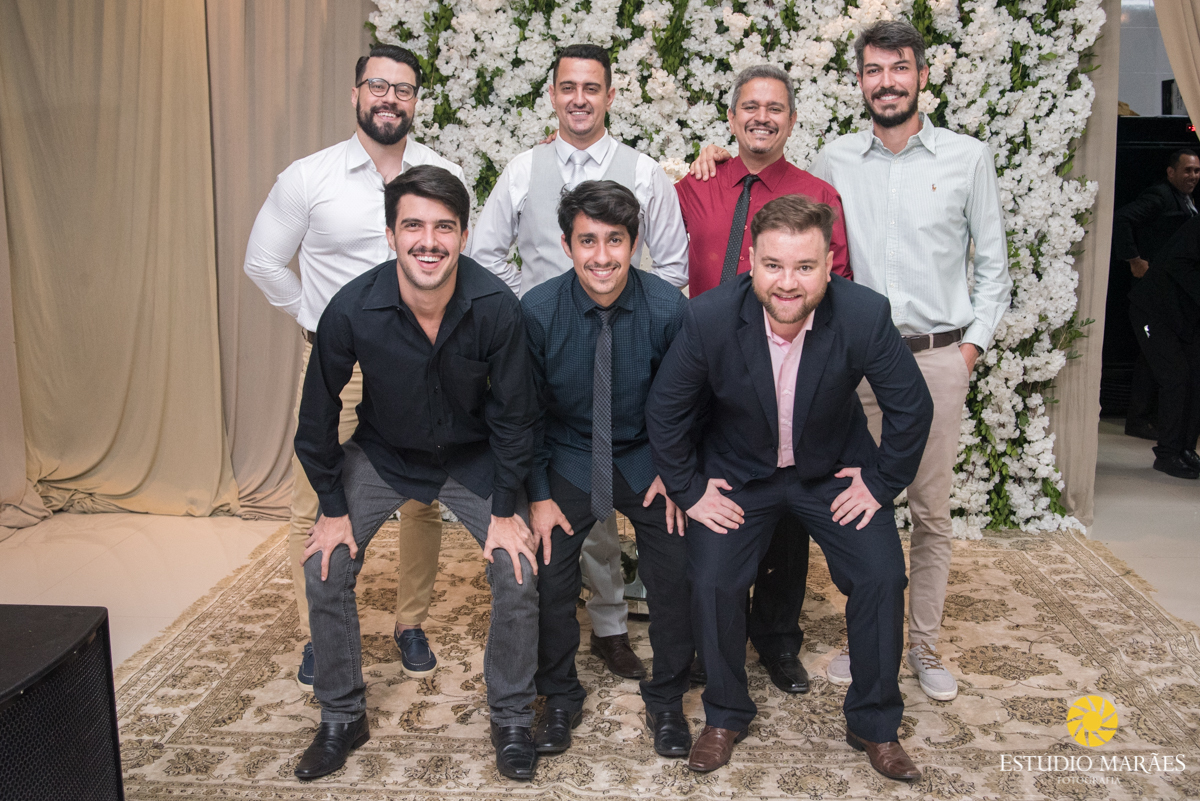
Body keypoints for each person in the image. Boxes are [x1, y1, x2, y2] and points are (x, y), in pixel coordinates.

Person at [646, 195, 933, 778]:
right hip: (737, 473)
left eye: (805, 266)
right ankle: (725, 714)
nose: (787, 282)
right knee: (713, 578)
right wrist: (691, 490)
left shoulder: (864, 314)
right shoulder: (708, 317)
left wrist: (880, 483)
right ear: (751, 261)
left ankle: (875, 724)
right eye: (774, 265)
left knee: (881, 575)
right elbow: (666, 411)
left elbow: (912, 407)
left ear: (829, 266)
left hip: (832, 472)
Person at [292, 165, 542, 781]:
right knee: (325, 564)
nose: (428, 242)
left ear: (463, 235)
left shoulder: (496, 307)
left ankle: (511, 718)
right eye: (413, 227)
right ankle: (341, 716)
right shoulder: (352, 308)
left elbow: (517, 419)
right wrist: (332, 508)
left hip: (472, 457)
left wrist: (505, 512)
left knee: (518, 568)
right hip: (384, 453)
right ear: (390, 234)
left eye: (444, 227)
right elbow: (315, 418)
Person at [243, 44, 465, 688]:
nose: (390, 98)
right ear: (356, 94)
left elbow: (454, 259)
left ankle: (410, 622)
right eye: (378, 86)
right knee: (315, 499)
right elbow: (263, 261)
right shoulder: (308, 177)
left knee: (421, 500)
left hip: (424, 365)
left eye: (403, 89)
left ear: (416, 101)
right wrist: (318, 319)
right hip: (340, 368)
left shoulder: (442, 173)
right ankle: (321, 632)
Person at [469, 43, 690, 682]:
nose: (580, 98)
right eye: (568, 87)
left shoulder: (644, 172)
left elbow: (672, 264)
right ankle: (568, 649)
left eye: (592, 87)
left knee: (620, 485)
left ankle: (614, 628)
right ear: (553, 95)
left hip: (625, 342)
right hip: (549, 353)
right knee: (568, 504)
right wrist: (533, 310)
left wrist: (632, 313)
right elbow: (485, 254)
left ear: (610, 96)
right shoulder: (523, 169)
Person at [808, 19, 1012, 702]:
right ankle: (865, 636)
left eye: (899, 68)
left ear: (922, 76)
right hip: (856, 364)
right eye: (874, 70)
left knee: (928, 509)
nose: (887, 82)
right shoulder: (834, 160)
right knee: (857, 501)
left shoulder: (967, 158)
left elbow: (994, 268)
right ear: (860, 81)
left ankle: (922, 645)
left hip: (934, 359)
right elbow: (804, 241)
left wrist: (969, 350)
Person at [676, 64, 853, 697]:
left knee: (785, 510)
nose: (761, 117)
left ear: (792, 121)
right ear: (731, 118)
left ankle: (777, 638)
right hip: (710, 375)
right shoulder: (694, 185)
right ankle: (709, 639)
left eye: (775, 108)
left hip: (786, 372)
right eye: (749, 106)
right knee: (710, 502)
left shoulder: (818, 194)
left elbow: (838, 284)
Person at [522, 181, 694, 759]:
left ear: (634, 243)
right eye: (587, 240)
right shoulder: (537, 310)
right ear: (567, 245)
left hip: (647, 459)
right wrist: (538, 494)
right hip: (569, 456)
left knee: (677, 572)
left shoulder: (669, 309)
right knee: (547, 575)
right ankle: (558, 695)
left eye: (615, 240)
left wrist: (677, 472)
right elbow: (524, 414)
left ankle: (667, 698)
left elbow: (690, 404)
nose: (602, 256)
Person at [1112, 148, 1200, 440]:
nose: (1193, 176)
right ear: (1171, 172)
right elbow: (1123, 218)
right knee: (1152, 358)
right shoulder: (1160, 196)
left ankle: (1152, 419)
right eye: (1187, 170)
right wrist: (1134, 259)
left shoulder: (1186, 200)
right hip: (1153, 292)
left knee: (1157, 359)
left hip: (1172, 294)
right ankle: (1140, 418)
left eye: (1197, 170)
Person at [1129, 213, 1200, 478]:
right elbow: (1178, 263)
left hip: (1186, 317)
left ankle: (1185, 449)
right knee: (1176, 377)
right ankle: (1167, 453)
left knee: (1195, 379)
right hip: (1155, 309)